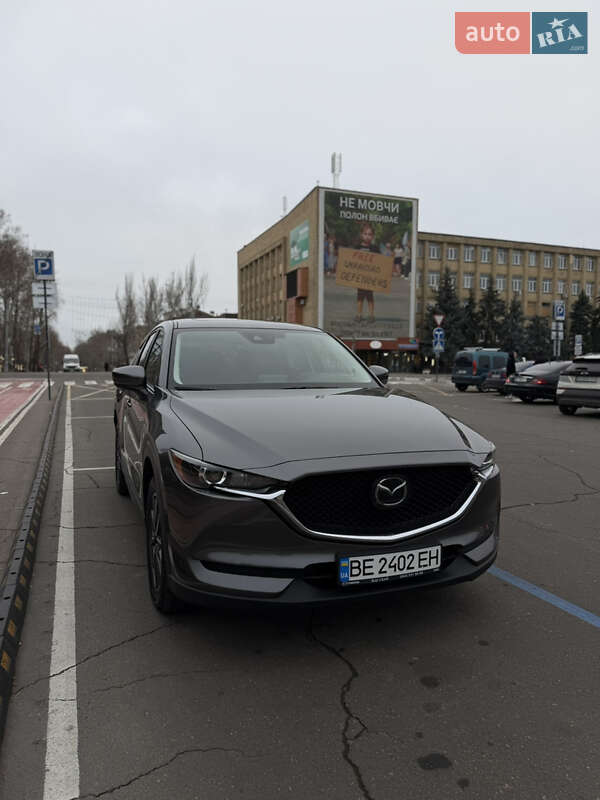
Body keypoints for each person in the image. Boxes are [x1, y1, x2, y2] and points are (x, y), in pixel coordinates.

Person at [355, 222, 378, 323]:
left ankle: (371, 315)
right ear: (361, 235)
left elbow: (381, 262)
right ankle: (359, 315)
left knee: (370, 297)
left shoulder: (375, 248)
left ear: (372, 236)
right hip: (360, 277)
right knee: (360, 297)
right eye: (365, 234)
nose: (367, 236)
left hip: (371, 278)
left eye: (369, 234)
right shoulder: (357, 247)